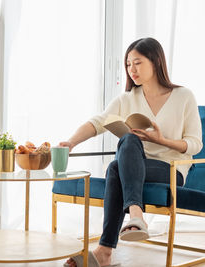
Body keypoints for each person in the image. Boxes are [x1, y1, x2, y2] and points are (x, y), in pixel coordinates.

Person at [60, 37, 203, 267]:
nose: (131, 69)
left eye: (137, 62)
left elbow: (195, 144)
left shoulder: (183, 96)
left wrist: (161, 140)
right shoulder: (127, 99)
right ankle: (132, 220)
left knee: (117, 166)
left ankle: (106, 249)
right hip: (133, 167)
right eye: (128, 64)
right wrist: (71, 142)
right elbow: (98, 122)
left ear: (155, 62)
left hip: (171, 170)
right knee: (124, 151)